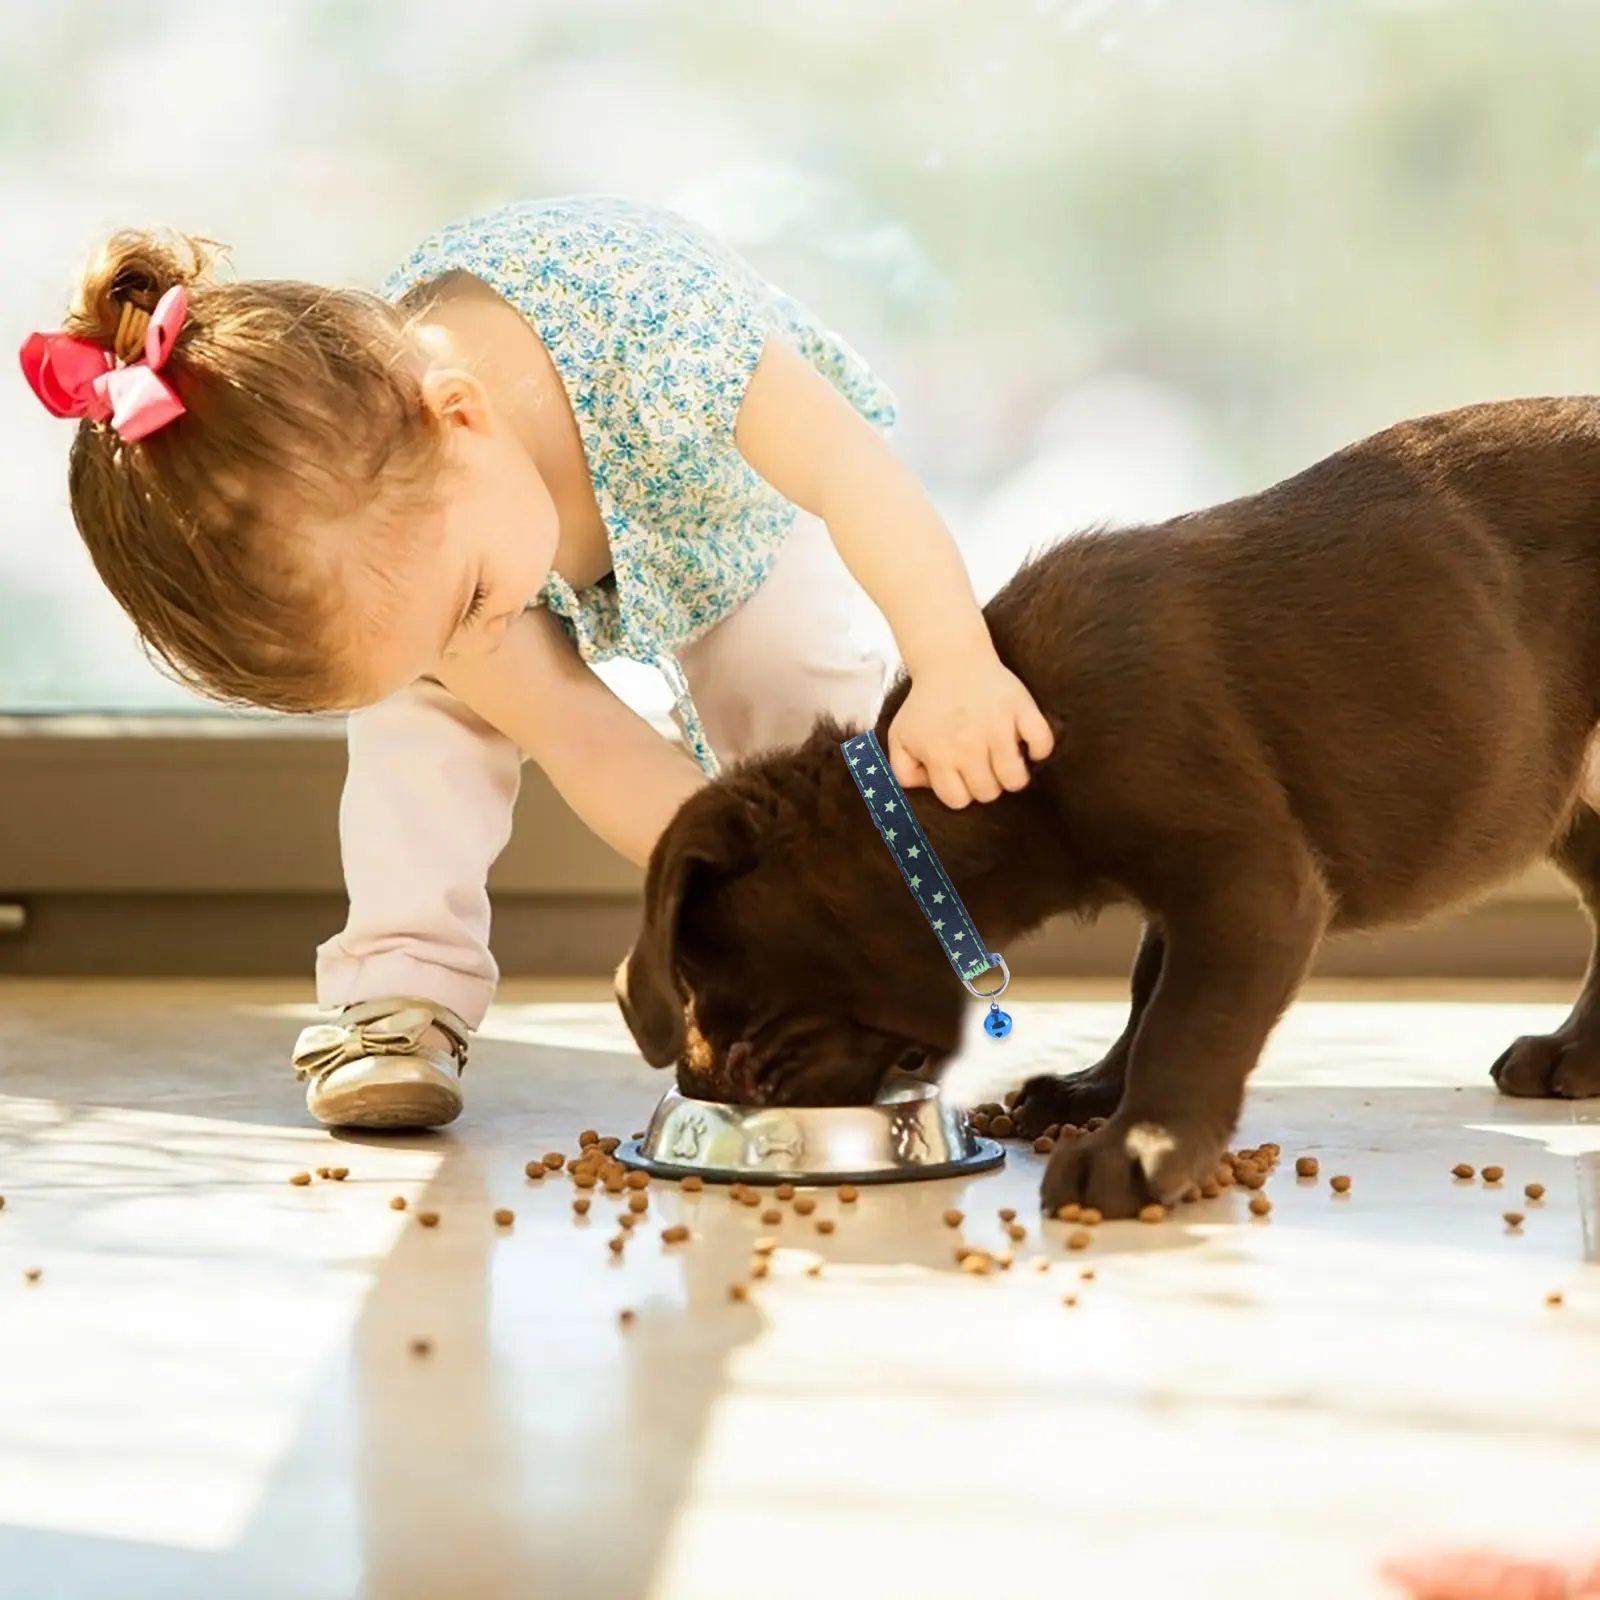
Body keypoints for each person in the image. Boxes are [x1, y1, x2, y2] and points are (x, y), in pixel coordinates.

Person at [21, 194, 1052, 1129]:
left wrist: (954, 657)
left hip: (718, 505)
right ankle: (399, 987)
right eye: (430, 641)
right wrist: (715, 891)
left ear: (461, 416)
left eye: (466, 606)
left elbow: (850, 473)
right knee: (420, 728)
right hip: (477, 531)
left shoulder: (664, 339)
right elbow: (578, 732)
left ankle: (830, 953)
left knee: (793, 670)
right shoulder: (423, 553)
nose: (472, 646)